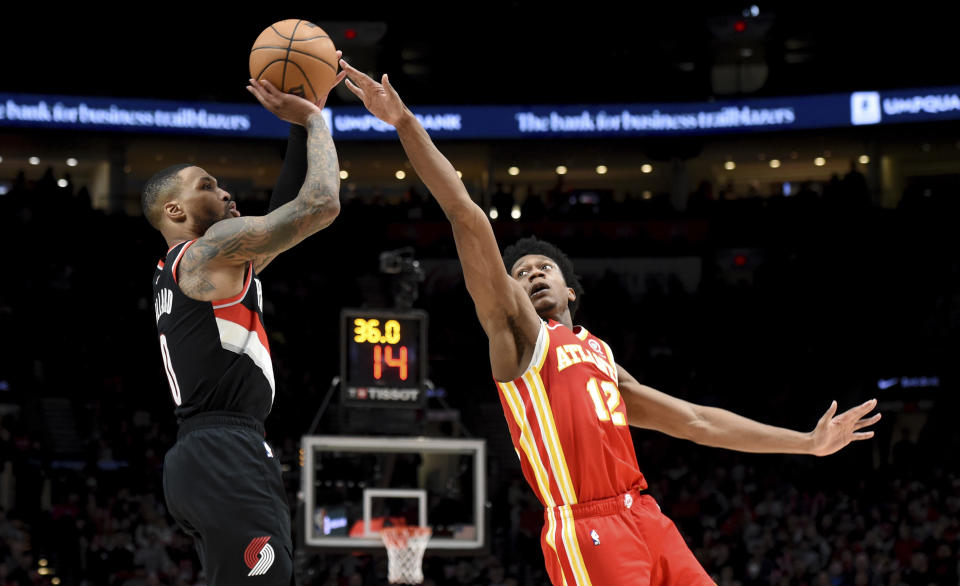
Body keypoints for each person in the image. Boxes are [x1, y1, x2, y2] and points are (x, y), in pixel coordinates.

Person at [339, 59, 882, 586]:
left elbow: (696, 421)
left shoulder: (599, 355)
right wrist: (405, 125)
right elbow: (466, 215)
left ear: (570, 289)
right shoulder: (520, 337)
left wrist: (807, 443)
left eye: (543, 268)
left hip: (647, 516)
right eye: (520, 272)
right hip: (585, 526)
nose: (530, 275)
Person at [143, 65, 346, 585]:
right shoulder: (209, 250)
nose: (224, 190)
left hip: (205, 452)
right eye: (207, 185)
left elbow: (281, 218)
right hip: (224, 452)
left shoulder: (199, 266)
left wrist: (297, 127)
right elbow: (321, 205)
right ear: (174, 209)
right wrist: (318, 121)